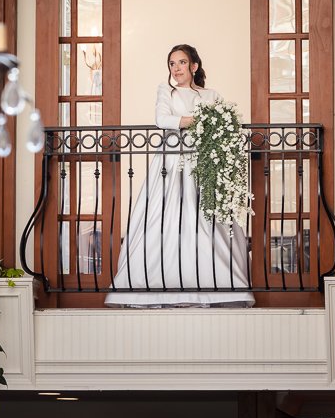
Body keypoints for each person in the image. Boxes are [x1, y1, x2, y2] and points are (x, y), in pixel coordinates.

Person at [104, 44, 254, 308]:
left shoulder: (211, 94)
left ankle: (212, 282)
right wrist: (200, 120)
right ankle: (153, 282)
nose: (176, 68)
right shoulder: (166, 90)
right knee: (163, 215)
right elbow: (162, 119)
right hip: (171, 162)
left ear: (194, 66)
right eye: (172, 64)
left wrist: (204, 122)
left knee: (206, 218)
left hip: (202, 162)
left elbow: (219, 127)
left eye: (182, 62)